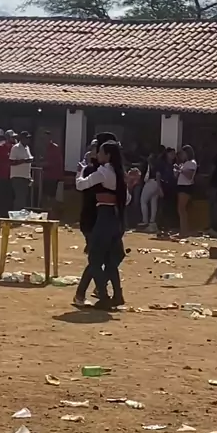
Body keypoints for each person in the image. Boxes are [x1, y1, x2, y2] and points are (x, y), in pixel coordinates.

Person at [74, 140, 127, 310]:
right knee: (111, 260)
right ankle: (117, 295)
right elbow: (127, 198)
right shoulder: (120, 173)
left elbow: (81, 185)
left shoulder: (103, 172)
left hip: (104, 216)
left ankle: (103, 297)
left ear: (108, 155)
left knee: (95, 260)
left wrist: (80, 171)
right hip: (116, 218)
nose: (98, 155)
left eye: (101, 152)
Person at [0, 130, 15, 217]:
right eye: (12, 137)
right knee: (0, 195)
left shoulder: (13, 147)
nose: (14, 139)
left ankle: (6, 213)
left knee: (9, 196)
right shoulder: (0, 147)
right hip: (0, 175)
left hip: (10, 175)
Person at [176, 144, 197, 238]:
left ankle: (184, 231)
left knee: (182, 209)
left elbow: (189, 175)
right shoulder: (186, 163)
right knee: (181, 209)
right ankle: (183, 230)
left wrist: (180, 170)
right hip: (182, 186)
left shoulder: (191, 163)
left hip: (186, 186)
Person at [10, 131, 33, 210]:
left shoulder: (27, 148)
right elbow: (11, 162)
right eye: (26, 138)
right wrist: (24, 161)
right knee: (19, 197)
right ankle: (16, 214)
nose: (28, 140)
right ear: (22, 138)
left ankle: (20, 214)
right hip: (17, 177)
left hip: (26, 177)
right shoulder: (15, 148)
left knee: (23, 198)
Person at [140, 152, 160, 232]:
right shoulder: (159, 164)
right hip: (157, 183)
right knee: (153, 202)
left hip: (151, 182)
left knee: (143, 201)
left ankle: (145, 221)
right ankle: (152, 222)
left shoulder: (150, 165)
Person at [42, 131, 64, 203]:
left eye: (46, 137)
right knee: (45, 195)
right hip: (45, 176)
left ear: (50, 138)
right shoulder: (44, 148)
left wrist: (39, 164)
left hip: (53, 176)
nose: (44, 139)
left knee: (51, 196)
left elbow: (54, 163)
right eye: (43, 138)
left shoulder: (55, 148)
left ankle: (51, 209)